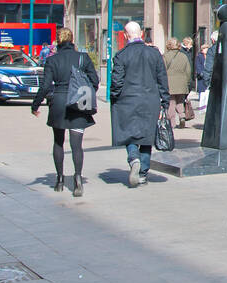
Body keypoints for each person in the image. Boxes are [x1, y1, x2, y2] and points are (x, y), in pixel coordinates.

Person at [31, 28, 98, 197]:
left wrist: (35, 105)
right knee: (77, 145)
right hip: (78, 103)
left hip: (59, 102)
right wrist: (86, 94)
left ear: (57, 41)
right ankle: (77, 179)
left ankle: (60, 180)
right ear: (72, 39)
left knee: (58, 142)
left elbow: (45, 86)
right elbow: (95, 81)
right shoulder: (82, 57)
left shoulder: (52, 60)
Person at [110, 21, 170, 187]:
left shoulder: (121, 55)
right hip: (150, 100)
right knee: (146, 137)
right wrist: (165, 100)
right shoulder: (154, 54)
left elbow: (116, 81)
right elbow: (162, 78)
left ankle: (133, 157)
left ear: (125, 35)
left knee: (128, 133)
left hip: (127, 101)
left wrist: (114, 96)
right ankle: (143, 173)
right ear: (141, 34)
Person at [162, 38, 195, 128]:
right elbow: (188, 70)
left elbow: (162, 71)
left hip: (170, 83)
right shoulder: (183, 56)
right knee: (180, 101)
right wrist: (187, 81)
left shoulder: (165, 56)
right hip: (182, 83)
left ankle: (172, 123)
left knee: (171, 103)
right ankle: (182, 116)